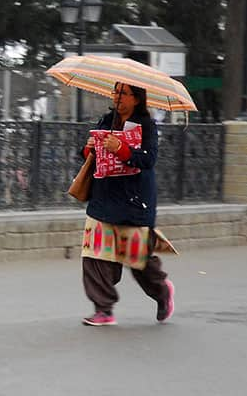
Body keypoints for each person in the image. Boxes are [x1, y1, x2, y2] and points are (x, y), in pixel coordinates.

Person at [79, 82, 175, 326]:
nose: (117, 97)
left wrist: (122, 148)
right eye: (116, 91)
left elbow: (149, 159)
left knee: (137, 259)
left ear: (136, 98)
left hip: (134, 200)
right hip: (104, 197)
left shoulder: (147, 125)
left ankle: (162, 291)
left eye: (123, 93)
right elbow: (93, 158)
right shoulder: (106, 120)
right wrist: (88, 149)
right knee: (95, 253)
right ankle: (104, 309)